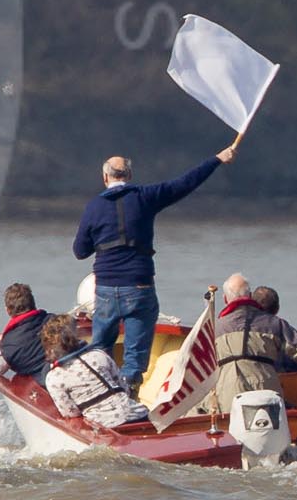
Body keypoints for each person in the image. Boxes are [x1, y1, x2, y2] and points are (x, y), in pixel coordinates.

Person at [73, 146, 237, 393]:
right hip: (139, 286)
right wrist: (216, 159)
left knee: (100, 348)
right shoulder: (145, 196)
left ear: (105, 177)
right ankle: (130, 396)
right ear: (128, 175)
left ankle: (101, 392)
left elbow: (80, 251)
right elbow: (185, 183)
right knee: (134, 356)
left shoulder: (93, 207)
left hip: (105, 288)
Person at [213, 273, 297, 408]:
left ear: (225, 299)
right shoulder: (274, 324)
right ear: (249, 296)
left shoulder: (213, 328)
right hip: (266, 390)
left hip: (227, 394)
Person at [40, 313, 149, 429]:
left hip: (105, 423)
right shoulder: (99, 355)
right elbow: (124, 388)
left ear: (50, 349)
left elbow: (70, 413)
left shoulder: (54, 378)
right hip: (137, 413)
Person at [0, 282, 50, 380]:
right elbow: (32, 334)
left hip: (45, 381)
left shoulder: (11, 344)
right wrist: (3, 338)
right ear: (33, 304)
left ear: (7, 310)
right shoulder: (56, 321)